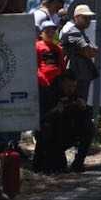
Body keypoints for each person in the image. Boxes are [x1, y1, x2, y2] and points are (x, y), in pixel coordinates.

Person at [59, 4, 100, 171]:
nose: (88, 20)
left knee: (83, 121)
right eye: (85, 17)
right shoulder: (73, 31)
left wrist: (89, 50)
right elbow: (89, 51)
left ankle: (77, 162)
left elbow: (92, 51)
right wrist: (88, 50)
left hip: (80, 81)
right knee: (72, 120)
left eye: (90, 17)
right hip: (73, 81)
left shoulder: (80, 32)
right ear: (76, 17)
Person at [40, 72, 93, 173]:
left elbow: (86, 116)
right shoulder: (50, 93)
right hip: (53, 134)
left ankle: (78, 163)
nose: (71, 89)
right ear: (62, 84)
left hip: (69, 131)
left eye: (73, 86)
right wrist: (55, 110)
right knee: (58, 167)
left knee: (89, 127)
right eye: (68, 86)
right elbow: (42, 118)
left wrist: (84, 108)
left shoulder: (75, 95)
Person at [33, 19, 65, 172]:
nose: (51, 33)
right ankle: (39, 161)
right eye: (47, 31)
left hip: (55, 87)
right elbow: (34, 66)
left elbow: (62, 68)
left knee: (55, 121)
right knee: (43, 121)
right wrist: (42, 79)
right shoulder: (37, 46)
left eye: (53, 30)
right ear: (41, 33)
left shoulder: (58, 49)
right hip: (42, 87)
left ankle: (54, 161)